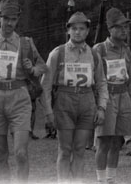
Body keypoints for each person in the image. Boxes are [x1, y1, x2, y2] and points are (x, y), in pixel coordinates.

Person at [0, 0, 48, 182]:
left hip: (19, 99)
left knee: (21, 152)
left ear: (18, 19)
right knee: (1, 154)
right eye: (6, 18)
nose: (9, 23)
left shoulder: (25, 43)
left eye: (13, 19)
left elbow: (42, 66)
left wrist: (33, 69)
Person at [42, 11, 109, 183]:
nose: (78, 32)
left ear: (87, 31)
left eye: (81, 29)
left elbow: (102, 83)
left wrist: (101, 107)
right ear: (68, 30)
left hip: (87, 101)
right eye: (74, 28)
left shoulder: (94, 54)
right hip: (64, 100)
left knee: (80, 149)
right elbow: (46, 85)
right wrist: (48, 112)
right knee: (65, 149)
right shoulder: (57, 53)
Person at [92, 8, 131, 184]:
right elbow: (94, 79)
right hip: (107, 97)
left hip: (124, 96)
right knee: (104, 141)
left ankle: (111, 179)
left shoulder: (126, 50)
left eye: (126, 27)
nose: (124, 30)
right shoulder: (99, 49)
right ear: (110, 29)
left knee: (117, 141)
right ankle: (101, 180)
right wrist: (98, 105)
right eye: (119, 27)